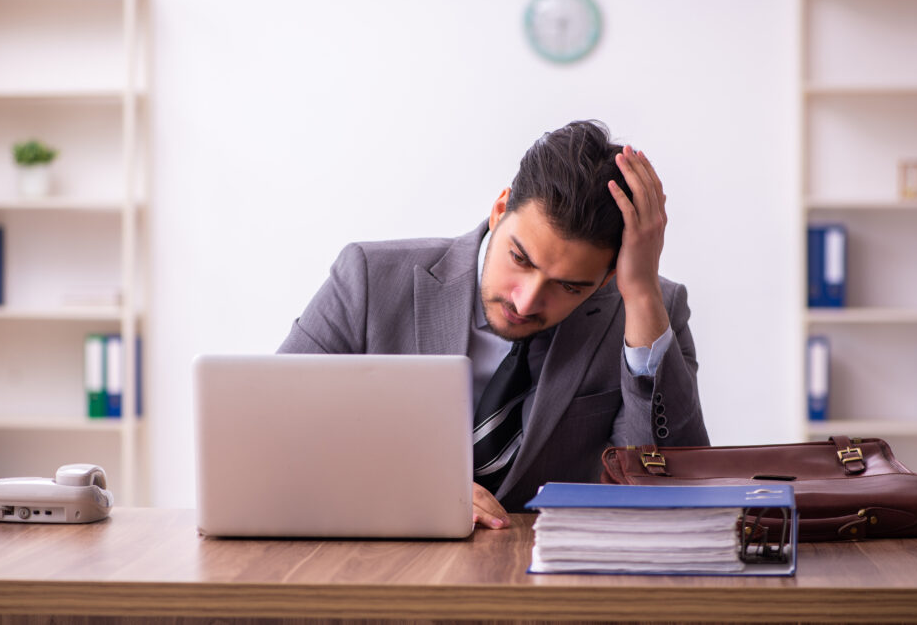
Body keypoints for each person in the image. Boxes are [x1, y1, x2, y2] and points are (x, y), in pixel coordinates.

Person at [278, 120, 709, 529]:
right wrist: (406, 492)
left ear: (607, 277)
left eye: (569, 287)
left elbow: (669, 489)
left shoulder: (650, 311)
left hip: (551, 589)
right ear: (499, 211)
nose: (526, 300)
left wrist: (642, 296)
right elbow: (277, 438)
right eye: (520, 259)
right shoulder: (368, 280)